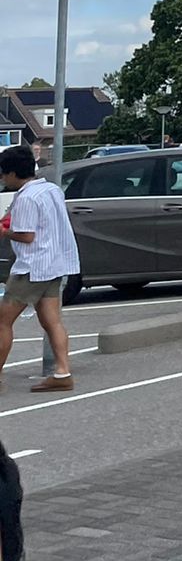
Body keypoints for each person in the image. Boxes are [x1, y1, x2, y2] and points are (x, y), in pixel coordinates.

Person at [0, 145, 77, 392]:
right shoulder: (51, 189)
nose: (3, 179)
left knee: (2, 321)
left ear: (13, 173)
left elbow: (27, 236)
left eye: (3, 174)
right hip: (54, 263)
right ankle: (62, 372)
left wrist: (5, 232)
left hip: (31, 268)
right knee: (52, 321)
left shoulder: (26, 198)